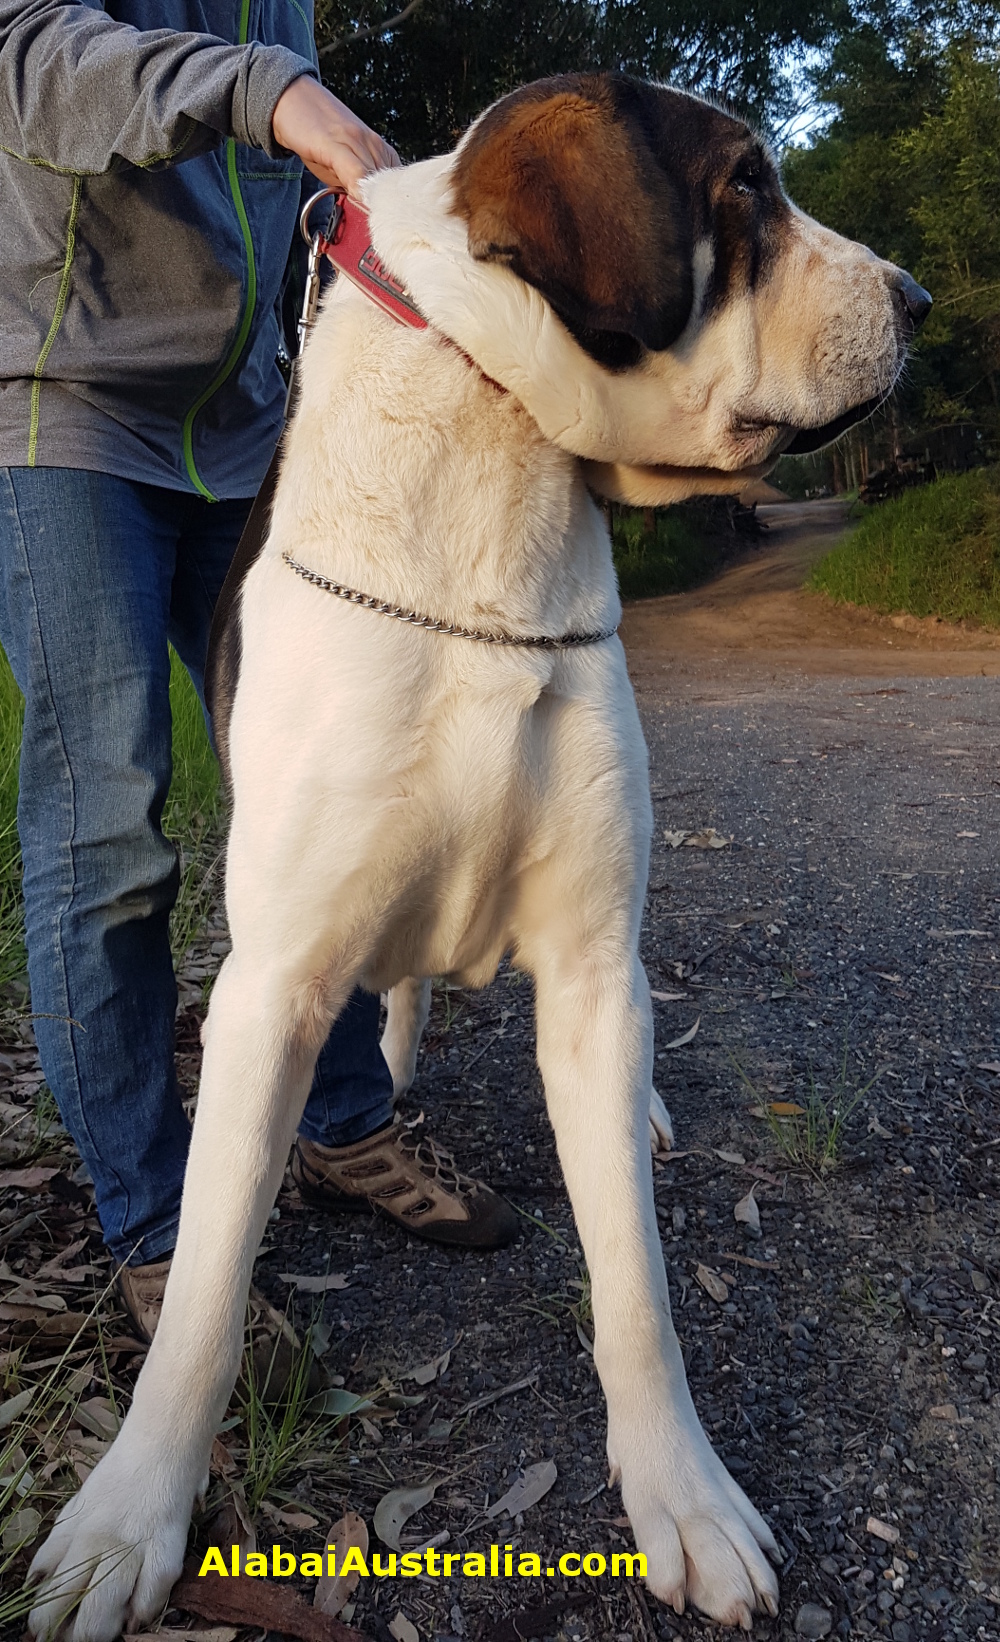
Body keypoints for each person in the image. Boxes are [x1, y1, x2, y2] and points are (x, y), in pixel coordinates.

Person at [0, 0, 516, 1343]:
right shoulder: (257, 47)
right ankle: (160, 1225)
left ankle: (344, 1122)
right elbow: (27, 63)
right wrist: (269, 87)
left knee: (327, 786)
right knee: (108, 817)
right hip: (65, 405)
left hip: (243, 428)